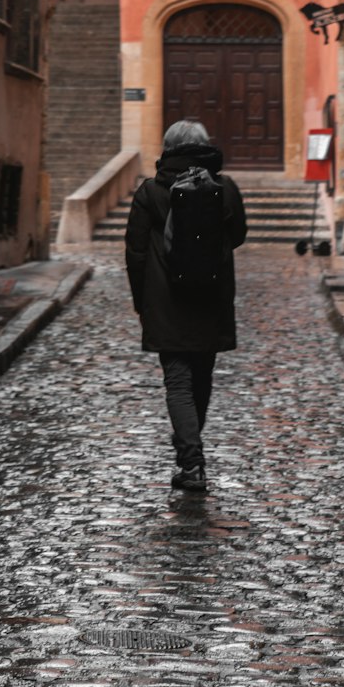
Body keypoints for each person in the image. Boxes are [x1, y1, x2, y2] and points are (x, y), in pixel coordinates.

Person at [124, 120, 247, 492]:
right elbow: (238, 236)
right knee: (202, 376)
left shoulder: (150, 191)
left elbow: (136, 251)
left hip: (165, 300)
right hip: (212, 295)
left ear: (167, 148)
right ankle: (189, 454)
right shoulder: (225, 189)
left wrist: (140, 301)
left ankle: (191, 462)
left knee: (177, 381)